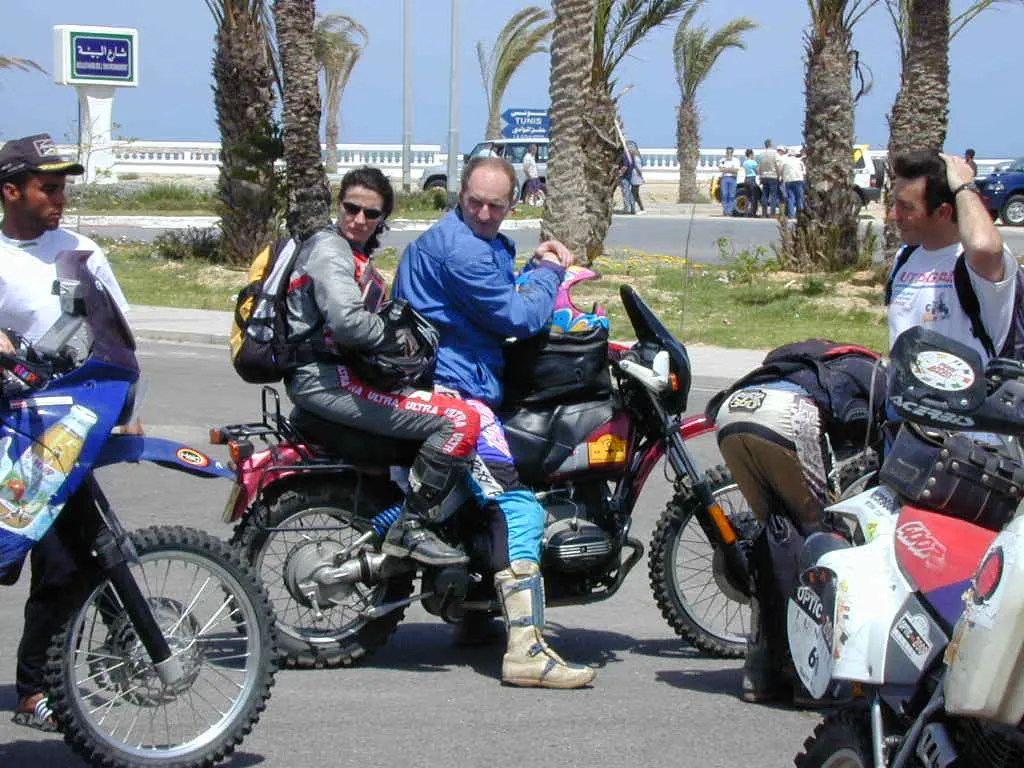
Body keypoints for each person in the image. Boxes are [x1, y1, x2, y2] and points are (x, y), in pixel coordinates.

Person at [712, 148, 1015, 707]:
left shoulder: (979, 266)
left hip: (972, 456)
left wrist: (964, 184)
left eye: (905, 206)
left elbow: (987, 246)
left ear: (945, 210)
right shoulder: (905, 259)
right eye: (891, 203)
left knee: (957, 577)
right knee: (890, 564)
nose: (892, 215)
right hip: (908, 442)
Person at [393, 156, 596, 689]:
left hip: (450, 380)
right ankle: (526, 651)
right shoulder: (460, 248)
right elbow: (517, 316)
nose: (484, 213)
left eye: (495, 205)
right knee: (517, 506)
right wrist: (549, 273)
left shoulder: (463, 240)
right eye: (475, 202)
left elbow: (492, 294)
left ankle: (473, 612)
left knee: (475, 503)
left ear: (512, 204)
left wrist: (532, 267)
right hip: (458, 393)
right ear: (460, 194)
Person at [282, 166, 481, 568]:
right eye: (351, 208)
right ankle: (412, 526)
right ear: (339, 206)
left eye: (370, 213)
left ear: (382, 218)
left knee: (449, 403)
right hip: (328, 381)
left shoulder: (351, 253)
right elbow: (347, 322)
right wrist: (397, 339)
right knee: (461, 421)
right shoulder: (331, 249)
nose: (358, 219)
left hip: (339, 378)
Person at [0, 133, 130, 731]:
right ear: (11, 192)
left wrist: (126, 403)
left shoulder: (81, 251)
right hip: (12, 428)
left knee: (65, 561)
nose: (59, 199)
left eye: (62, 188)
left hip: (65, 430)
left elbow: (116, 332)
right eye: (47, 188)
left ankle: (36, 690)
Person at [779, 146, 806, 217]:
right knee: (799, 197)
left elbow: (780, 171)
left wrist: (782, 177)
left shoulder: (784, 161)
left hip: (788, 180)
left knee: (790, 198)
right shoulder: (799, 161)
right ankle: (800, 214)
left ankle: (791, 214)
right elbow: (804, 172)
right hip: (799, 180)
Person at [757, 139, 780, 217]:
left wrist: (760, 176)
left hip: (764, 176)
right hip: (773, 176)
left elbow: (759, 167)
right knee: (773, 195)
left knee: (764, 195)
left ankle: (764, 213)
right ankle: (772, 213)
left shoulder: (761, 155)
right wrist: (779, 175)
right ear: (771, 144)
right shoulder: (775, 153)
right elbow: (777, 165)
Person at [718, 147, 740, 216]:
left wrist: (726, 169)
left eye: (730, 152)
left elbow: (736, 170)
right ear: (726, 152)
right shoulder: (722, 160)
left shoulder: (736, 160)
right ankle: (725, 210)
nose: (729, 154)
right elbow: (721, 169)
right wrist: (731, 169)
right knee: (724, 195)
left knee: (732, 195)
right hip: (724, 178)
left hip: (733, 178)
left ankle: (730, 211)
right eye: (728, 152)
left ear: (732, 153)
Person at [741, 149, 759, 218]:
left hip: (746, 179)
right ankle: (753, 213)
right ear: (751, 154)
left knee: (747, 197)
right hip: (752, 179)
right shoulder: (753, 162)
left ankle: (745, 213)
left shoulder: (744, 162)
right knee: (754, 197)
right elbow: (756, 170)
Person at [628, 147, 645, 215]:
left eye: (630, 151)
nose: (629, 152)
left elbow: (638, 169)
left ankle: (634, 210)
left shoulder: (636, 159)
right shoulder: (635, 158)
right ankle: (641, 209)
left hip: (636, 179)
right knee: (636, 195)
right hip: (635, 178)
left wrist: (641, 178)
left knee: (634, 195)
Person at [618, 149, 636, 214]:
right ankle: (633, 208)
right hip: (629, 177)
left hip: (624, 178)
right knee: (629, 193)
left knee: (625, 193)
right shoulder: (632, 158)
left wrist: (620, 173)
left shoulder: (626, 156)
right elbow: (633, 167)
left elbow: (625, 167)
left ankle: (626, 209)